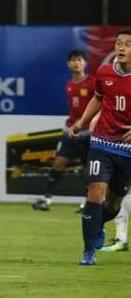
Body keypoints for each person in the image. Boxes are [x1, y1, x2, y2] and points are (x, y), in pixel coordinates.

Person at [69, 29, 131, 265]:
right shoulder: (104, 72)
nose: (121, 48)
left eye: (127, 44)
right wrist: (81, 122)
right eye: (118, 43)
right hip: (102, 142)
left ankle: (98, 224)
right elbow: (97, 98)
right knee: (95, 193)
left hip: (128, 150)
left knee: (114, 204)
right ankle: (88, 251)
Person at [33, 50, 95, 211]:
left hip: (88, 132)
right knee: (59, 162)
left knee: (88, 167)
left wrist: (87, 124)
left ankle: (87, 202)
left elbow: (99, 106)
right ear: (68, 64)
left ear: (85, 63)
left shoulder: (92, 83)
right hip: (71, 131)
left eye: (80, 60)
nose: (76, 63)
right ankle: (47, 200)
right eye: (73, 60)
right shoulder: (69, 84)